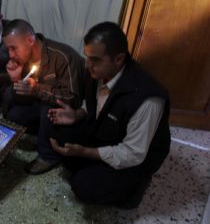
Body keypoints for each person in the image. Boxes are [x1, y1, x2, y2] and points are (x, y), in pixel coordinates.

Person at [40, 22, 171, 208]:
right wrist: (77, 114)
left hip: (135, 157)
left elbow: (133, 153)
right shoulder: (97, 73)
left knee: (84, 186)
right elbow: (94, 104)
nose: (87, 65)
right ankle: (92, 165)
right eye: (86, 57)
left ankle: (134, 190)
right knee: (58, 132)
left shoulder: (146, 99)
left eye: (95, 59)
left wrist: (85, 152)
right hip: (107, 134)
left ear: (118, 59)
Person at [2, 19, 84, 172]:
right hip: (40, 107)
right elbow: (23, 97)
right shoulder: (23, 59)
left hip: (68, 113)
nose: (11, 55)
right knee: (13, 111)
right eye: (8, 49)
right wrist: (16, 79)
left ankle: (48, 156)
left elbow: (72, 99)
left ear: (30, 40)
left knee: (48, 106)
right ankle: (44, 134)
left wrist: (37, 90)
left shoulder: (62, 57)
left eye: (13, 48)